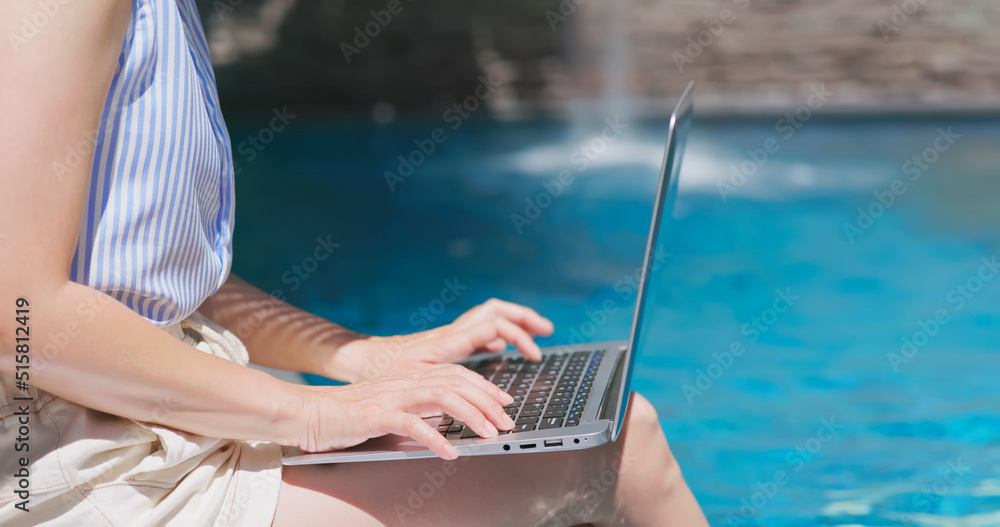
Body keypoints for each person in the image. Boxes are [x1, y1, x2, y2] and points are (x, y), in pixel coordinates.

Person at [0, 0, 709, 525]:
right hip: (82, 469)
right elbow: (18, 311)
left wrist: (361, 356)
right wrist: (308, 410)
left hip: (162, 419)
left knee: (585, 433)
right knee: (620, 452)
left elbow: (158, 281)